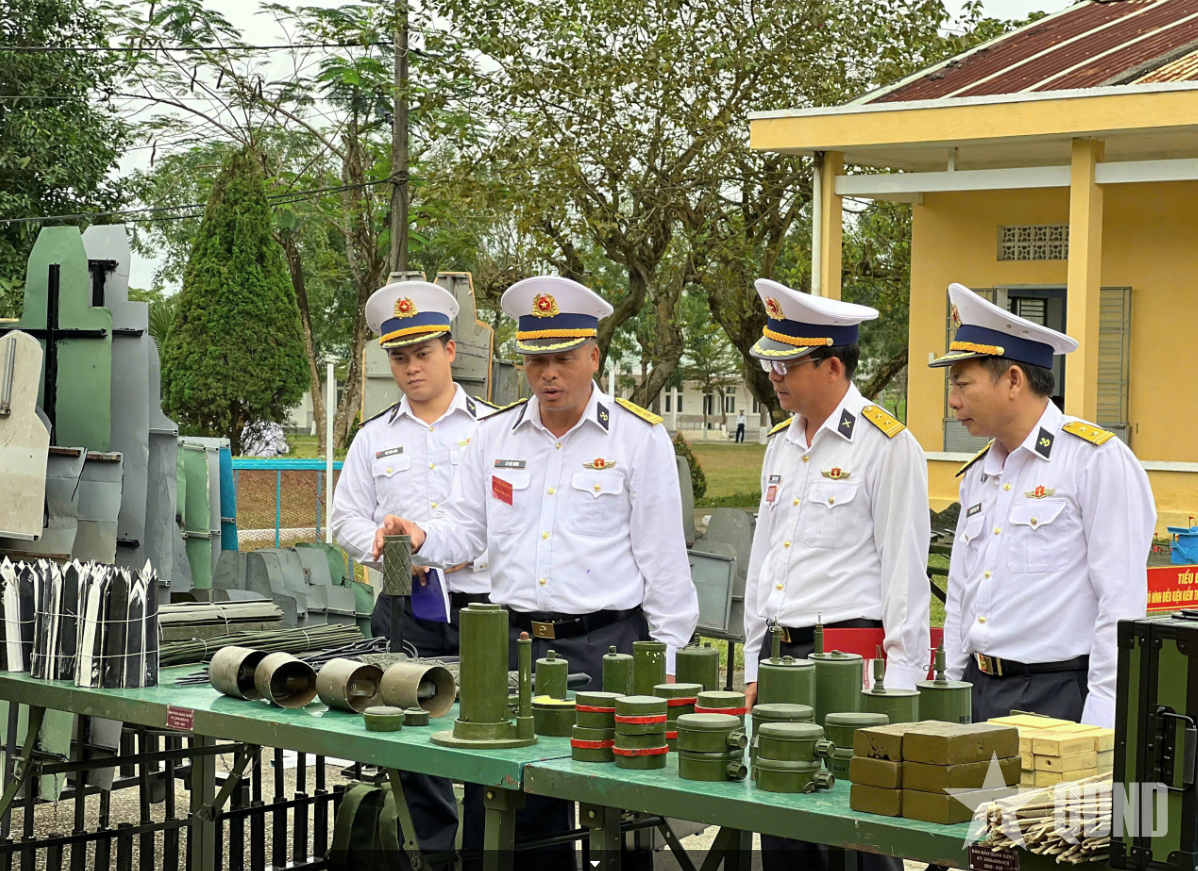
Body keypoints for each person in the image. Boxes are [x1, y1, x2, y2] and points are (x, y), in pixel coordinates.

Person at [376, 275, 699, 870]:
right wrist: (421, 538)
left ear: (594, 357)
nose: (548, 374)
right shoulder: (493, 436)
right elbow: (467, 531)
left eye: (563, 359)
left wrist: (669, 664)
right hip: (513, 648)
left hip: (607, 649)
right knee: (506, 810)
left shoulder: (638, 438)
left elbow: (664, 564)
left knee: (616, 817)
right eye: (535, 361)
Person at [743, 279, 930, 871]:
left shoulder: (885, 445)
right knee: (783, 826)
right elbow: (764, 563)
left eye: (787, 364)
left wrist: (901, 691)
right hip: (781, 658)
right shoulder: (780, 444)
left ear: (832, 366)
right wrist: (751, 664)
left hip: (849, 664)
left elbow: (905, 572)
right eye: (770, 362)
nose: (774, 375)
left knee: (859, 833)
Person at [932, 282, 1154, 727]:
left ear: (1013, 380)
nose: (953, 400)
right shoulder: (979, 473)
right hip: (976, 690)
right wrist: (947, 685)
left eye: (963, 384)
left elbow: (1121, 599)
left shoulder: (1094, 460)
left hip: (1056, 694)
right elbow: (960, 592)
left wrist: (1103, 714)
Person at [331, 279, 496, 866]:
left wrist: (465, 550)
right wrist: (380, 546)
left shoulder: (493, 429)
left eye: (422, 353)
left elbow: (516, 519)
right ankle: (430, 857)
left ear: (450, 350)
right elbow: (343, 519)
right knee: (411, 739)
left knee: (489, 738)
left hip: (482, 609)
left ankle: (483, 854)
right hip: (406, 607)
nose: (411, 368)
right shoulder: (374, 436)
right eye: (399, 357)